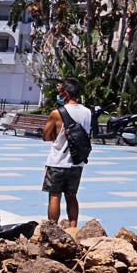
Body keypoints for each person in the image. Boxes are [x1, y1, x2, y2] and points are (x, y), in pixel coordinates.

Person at [41, 78, 92, 225]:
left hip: (58, 161)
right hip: (77, 162)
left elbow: (46, 136)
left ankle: (52, 228)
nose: (58, 94)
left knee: (55, 195)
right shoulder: (87, 112)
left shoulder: (57, 113)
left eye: (60, 92)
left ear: (66, 93)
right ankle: (73, 227)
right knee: (71, 195)